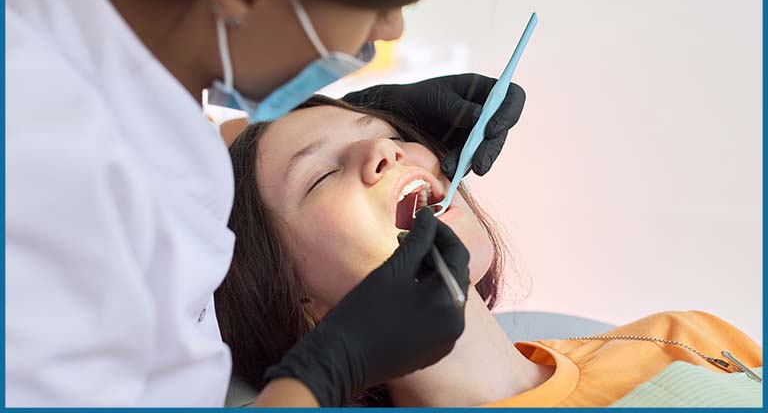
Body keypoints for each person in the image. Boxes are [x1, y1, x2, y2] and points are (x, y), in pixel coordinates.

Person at [6, 0, 528, 407]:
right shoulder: (49, 162)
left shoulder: (102, 24)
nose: (390, 30)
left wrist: (334, 124)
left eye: (388, 132)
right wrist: (330, 369)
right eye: (381, 4)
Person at [217, 95, 763, 407]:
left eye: (386, 131)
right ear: (304, 310)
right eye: (321, 175)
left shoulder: (681, 338)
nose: (383, 149)